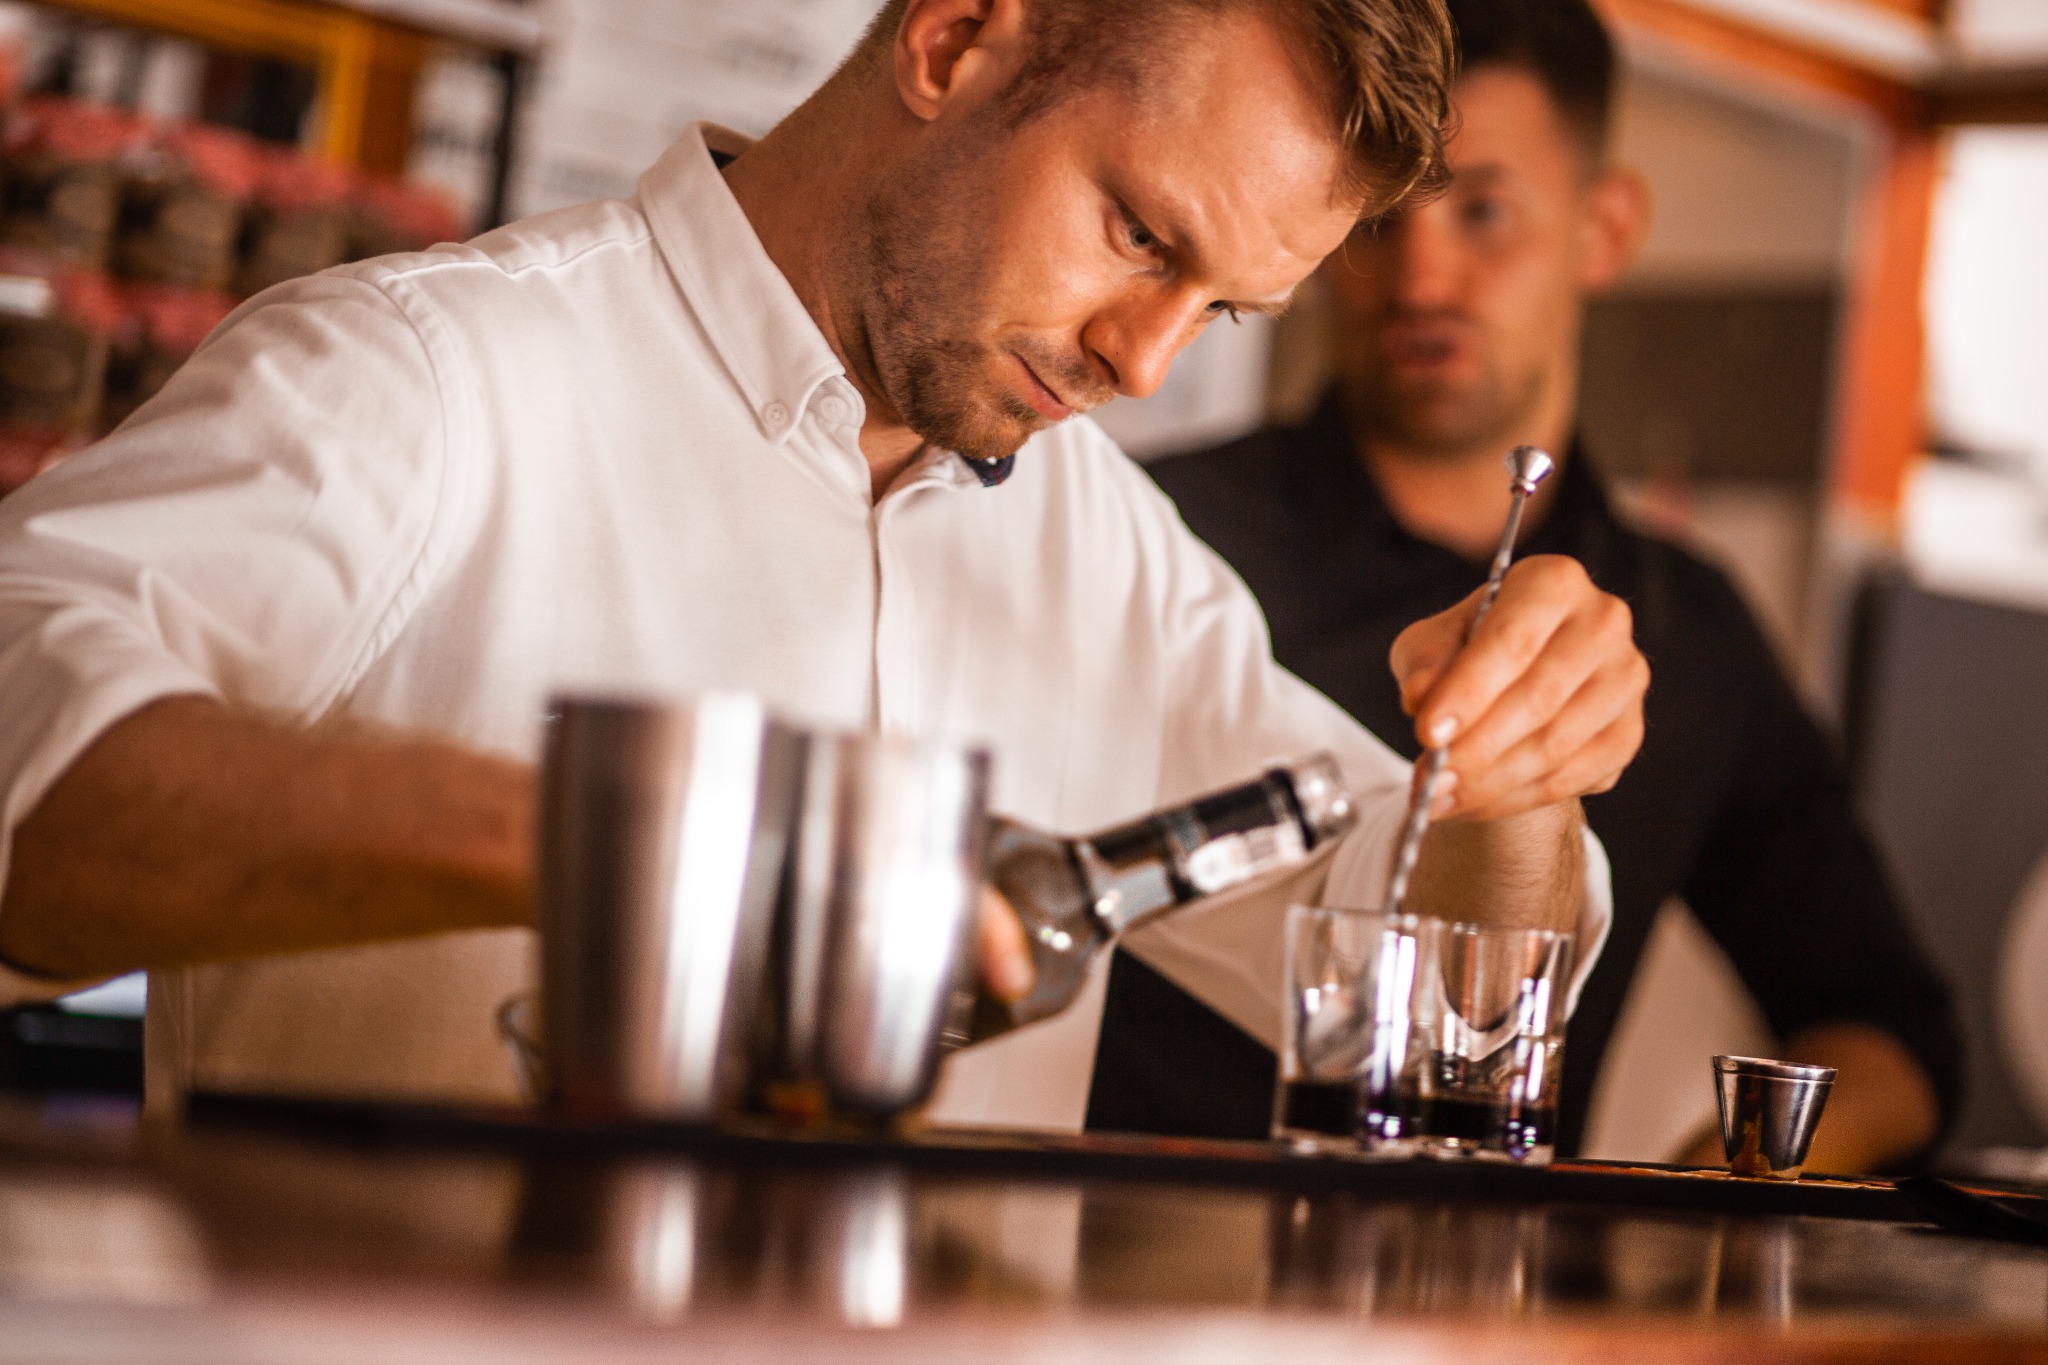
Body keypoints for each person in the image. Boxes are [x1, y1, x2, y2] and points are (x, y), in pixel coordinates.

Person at [0, 0, 1649, 1127]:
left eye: (1219, 307)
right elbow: (26, 770)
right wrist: (659, 841)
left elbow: (1421, 961)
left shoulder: (1108, 552)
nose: (1144, 362)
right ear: (953, 39)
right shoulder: (422, 378)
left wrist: (1520, 775)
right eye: (1138, 235)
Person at [1113, 0, 1960, 1170]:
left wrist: (1721, 1191)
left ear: (1600, 228)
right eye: (1380, 214)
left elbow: (1891, 1034)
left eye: (1481, 210)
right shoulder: (1146, 532)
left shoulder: (1689, 630)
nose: (1419, 274)